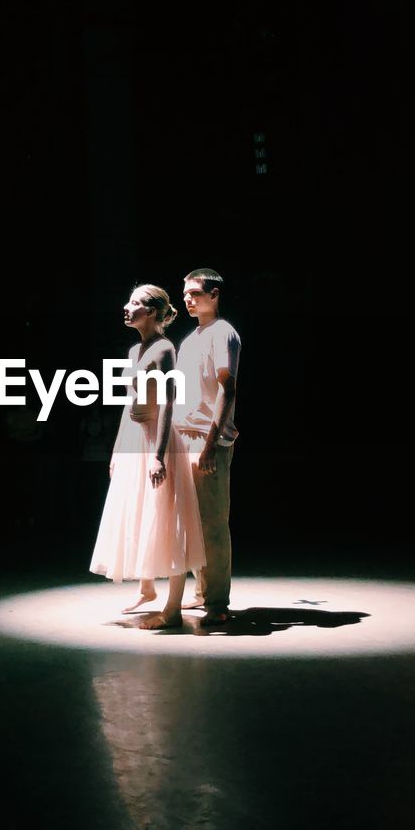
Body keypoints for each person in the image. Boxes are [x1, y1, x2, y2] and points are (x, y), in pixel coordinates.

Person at [89, 284, 206, 628]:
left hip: (157, 438)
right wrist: (116, 450)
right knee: (139, 510)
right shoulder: (133, 351)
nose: (127, 307)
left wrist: (159, 456)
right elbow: (130, 403)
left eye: (136, 303)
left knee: (167, 516)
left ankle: (172, 608)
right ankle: (147, 589)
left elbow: (169, 402)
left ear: (152, 311)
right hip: (134, 437)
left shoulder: (165, 349)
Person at [169, 267, 241, 627]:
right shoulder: (191, 338)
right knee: (190, 522)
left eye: (195, 293)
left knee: (213, 522)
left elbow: (227, 389)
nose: (188, 299)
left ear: (214, 295)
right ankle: (201, 594)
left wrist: (211, 445)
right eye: (185, 293)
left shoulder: (223, 333)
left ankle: (217, 601)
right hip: (184, 435)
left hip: (206, 438)